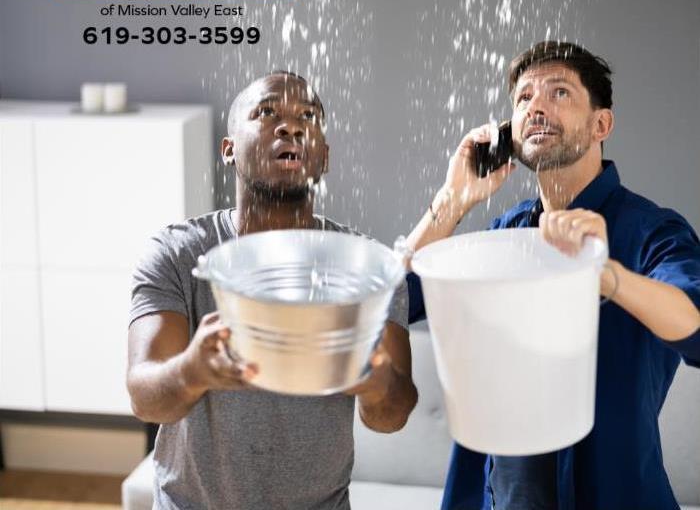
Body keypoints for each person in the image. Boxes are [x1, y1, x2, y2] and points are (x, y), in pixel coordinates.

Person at [406, 41, 700, 510]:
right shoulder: (504, 234)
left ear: (601, 124)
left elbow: (695, 323)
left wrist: (605, 275)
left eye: (559, 93)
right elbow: (402, 301)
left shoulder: (651, 230)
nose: (536, 106)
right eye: (523, 99)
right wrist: (453, 199)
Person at [127, 71, 418, 509]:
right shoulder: (178, 253)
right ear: (228, 150)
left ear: (323, 157)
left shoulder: (367, 268)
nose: (292, 126)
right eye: (266, 112)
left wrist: (374, 379)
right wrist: (193, 370)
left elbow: (390, 416)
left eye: (308, 117)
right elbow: (144, 397)